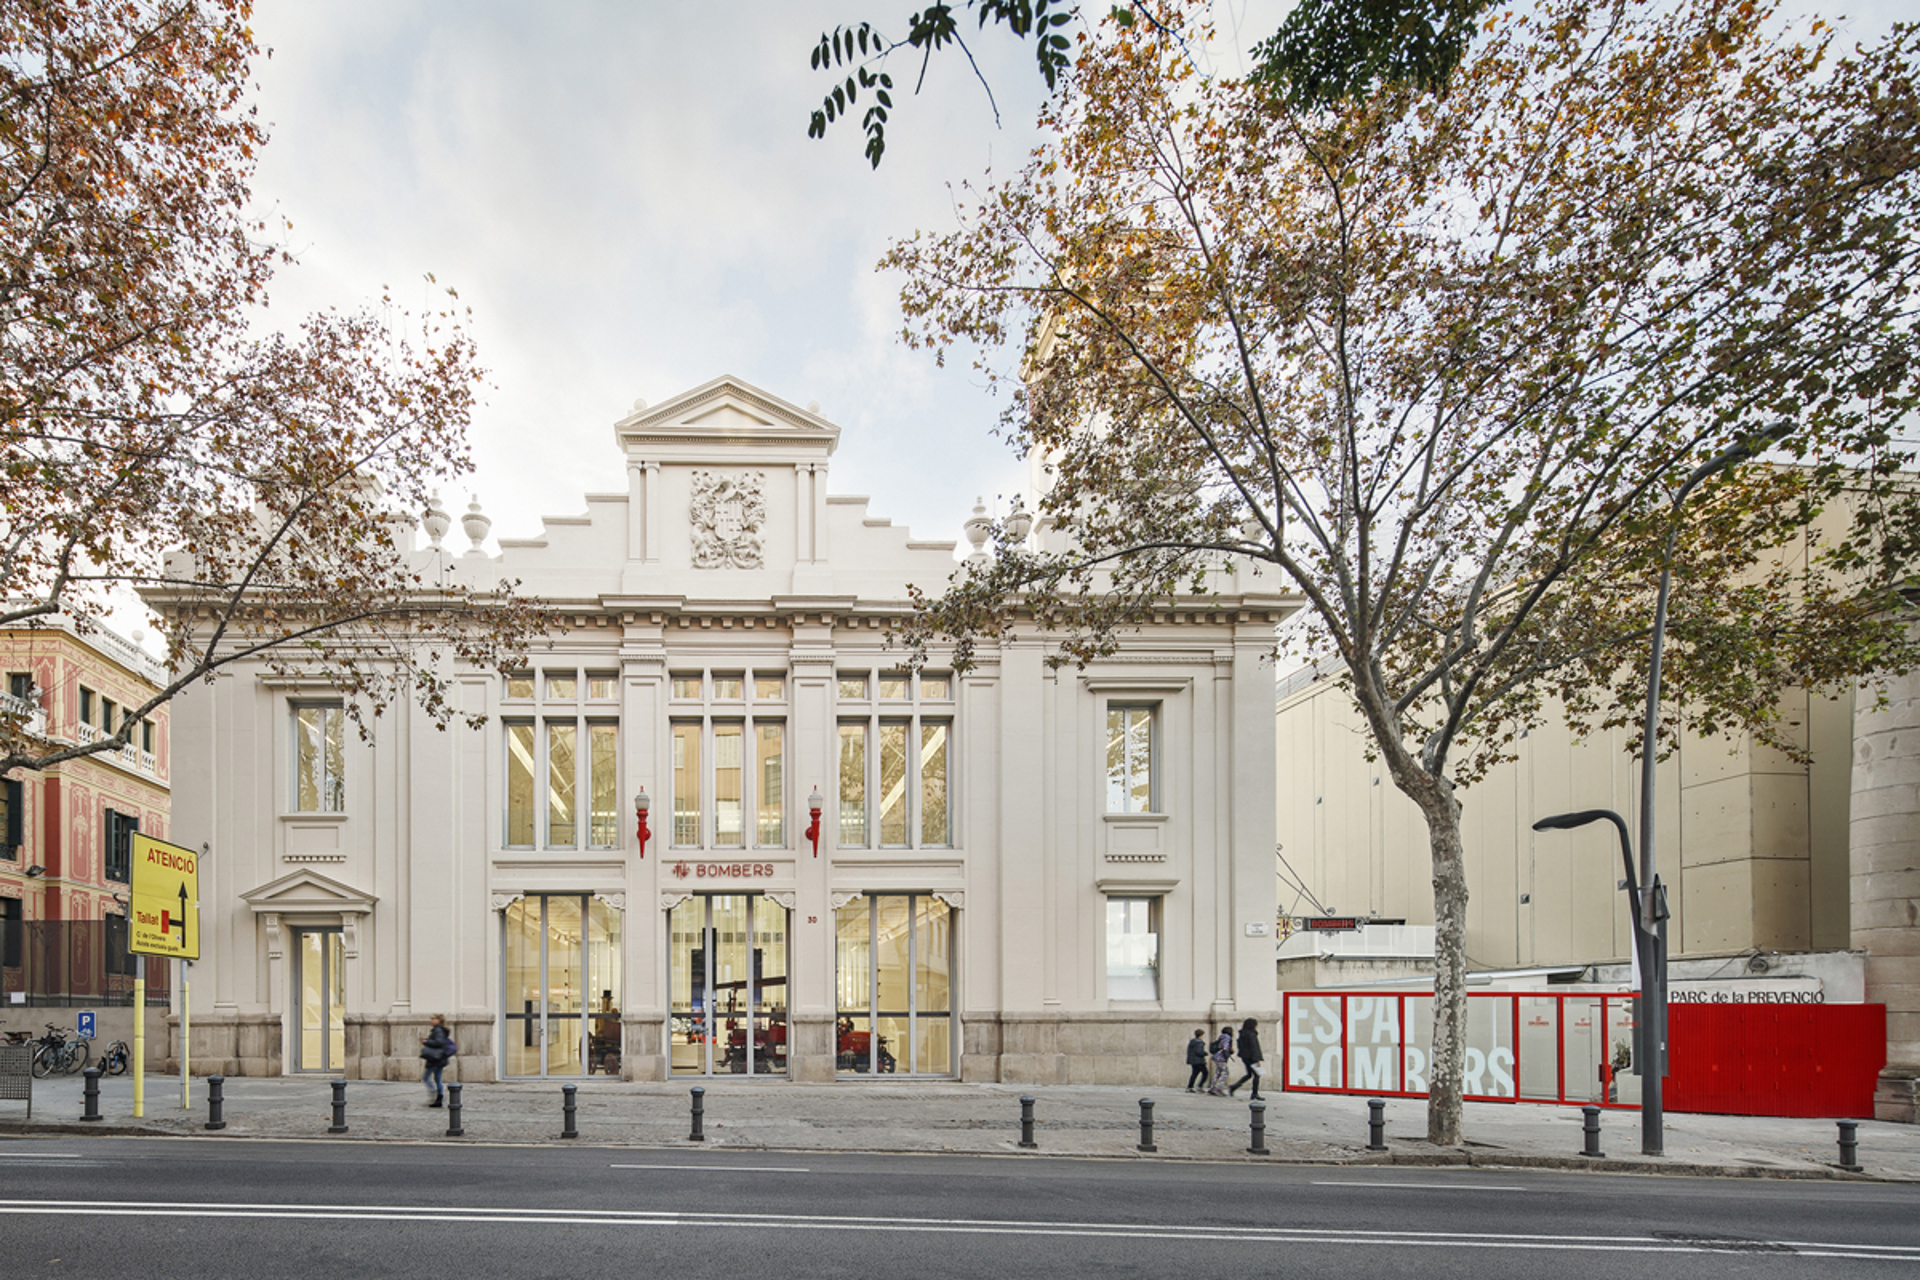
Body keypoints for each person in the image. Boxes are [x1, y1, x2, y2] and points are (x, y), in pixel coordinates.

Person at [420, 1013, 455, 1107]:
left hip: (435, 1058)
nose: (432, 1021)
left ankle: (435, 1096)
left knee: (426, 1078)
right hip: (439, 1058)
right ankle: (438, 1098)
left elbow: (438, 1042)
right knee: (437, 1079)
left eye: (434, 1019)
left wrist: (426, 1041)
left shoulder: (438, 1030)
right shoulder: (440, 1029)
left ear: (439, 1020)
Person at [1228, 1017, 1264, 1099]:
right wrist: (1257, 1059)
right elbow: (1254, 1047)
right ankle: (1254, 1093)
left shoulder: (1242, 1034)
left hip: (1245, 1057)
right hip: (1252, 1057)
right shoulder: (1251, 1034)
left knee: (1249, 1074)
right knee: (1257, 1075)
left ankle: (1234, 1087)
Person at [1207, 1024, 1234, 1095]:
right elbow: (1225, 1048)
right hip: (1221, 1058)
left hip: (1216, 1057)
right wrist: (1227, 1055)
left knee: (1218, 1073)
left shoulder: (1221, 1037)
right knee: (1225, 1073)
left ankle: (1212, 1088)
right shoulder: (1227, 1038)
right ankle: (1218, 1088)